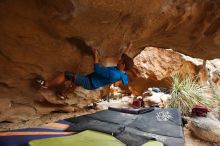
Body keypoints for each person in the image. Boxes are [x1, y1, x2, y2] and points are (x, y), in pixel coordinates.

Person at [36, 43, 134, 99]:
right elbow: (124, 56)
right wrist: (129, 47)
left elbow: (97, 69)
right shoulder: (122, 72)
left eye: (121, 61)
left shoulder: (114, 74)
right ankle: (63, 94)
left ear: (123, 65)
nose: (119, 60)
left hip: (89, 82)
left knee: (67, 75)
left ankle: (46, 84)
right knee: (75, 82)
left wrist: (95, 55)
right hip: (92, 80)